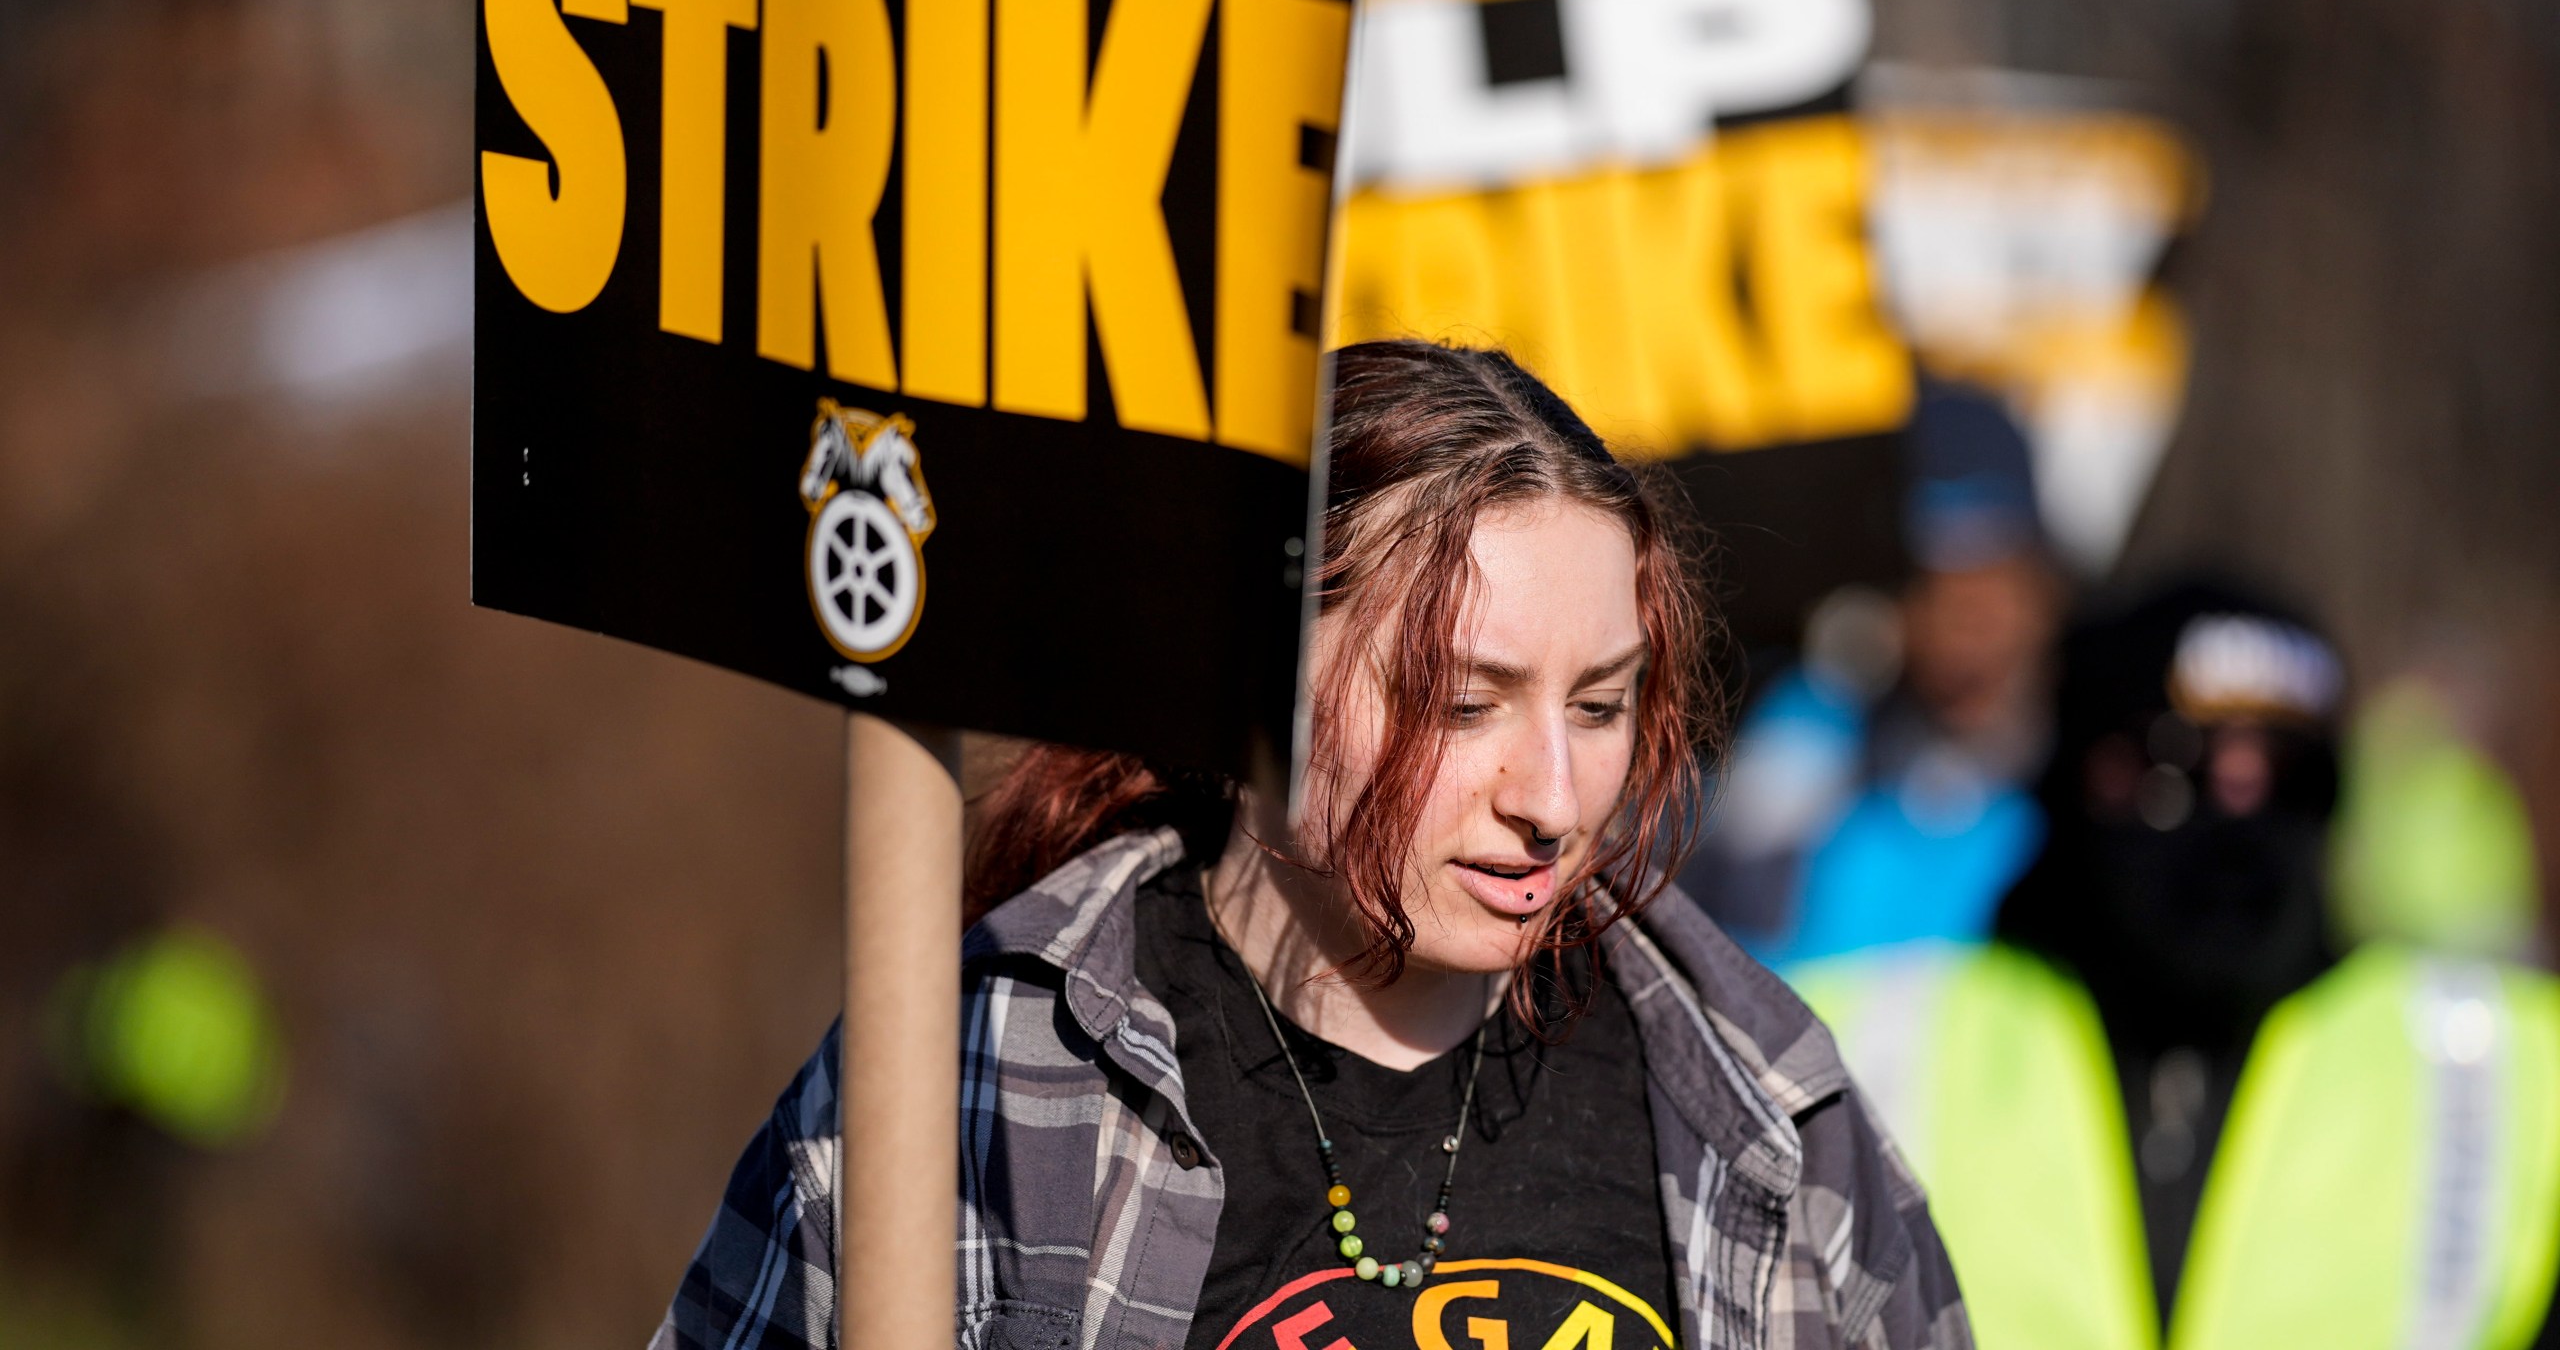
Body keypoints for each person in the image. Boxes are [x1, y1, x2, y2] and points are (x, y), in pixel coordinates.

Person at [650, 341, 1972, 1350]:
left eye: (1600, 705)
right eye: (1466, 702)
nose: (1557, 799)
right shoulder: (981, 1077)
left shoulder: (1766, 1104)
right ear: (1254, 680)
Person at [1796, 582, 2560, 1350]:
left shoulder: (2516, 1065)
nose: (2235, 813)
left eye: (2285, 775)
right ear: (2075, 780)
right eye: (2171, 767)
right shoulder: (1846, 1043)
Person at [1683, 387, 2060, 967]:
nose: (1970, 622)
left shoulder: (2099, 762)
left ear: (2042, 590)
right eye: (1933, 584)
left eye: (1996, 578)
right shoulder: (1804, 746)